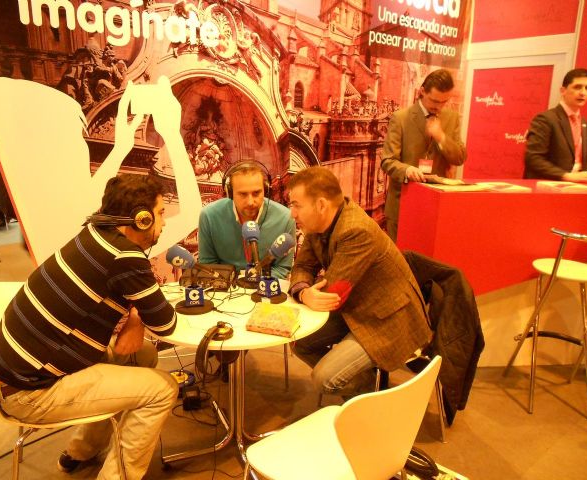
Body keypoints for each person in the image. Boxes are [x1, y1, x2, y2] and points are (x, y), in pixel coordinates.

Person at [0, 174, 178, 479]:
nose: (164, 223)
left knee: (142, 355)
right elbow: (166, 323)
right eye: (160, 214)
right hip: (29, 393)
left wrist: (135, 315)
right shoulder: (125, 256)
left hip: (14, 371)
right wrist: (138, 316)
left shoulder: (94, 234)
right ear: (142, 219)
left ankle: (81, 450)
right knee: (164, 389)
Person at [287, 166, 432, 395]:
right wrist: (304, 292)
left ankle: (367, 399)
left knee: (324, 379)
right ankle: (365, 384)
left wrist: (307, 293)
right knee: (299, 340)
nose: (292, 214)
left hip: (387, 320)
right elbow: (302, 267)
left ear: (321, 205)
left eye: (297, 205)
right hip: (355, 308)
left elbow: (330, 294)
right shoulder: (318, 223)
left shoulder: (356, 230)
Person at [381, 69, 467, 241]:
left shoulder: (451, 118)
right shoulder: (401, 118)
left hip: (436, 207)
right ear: (422, 92)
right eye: (434, 101)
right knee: (399, 256)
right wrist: (407, 170)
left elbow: (459, 158)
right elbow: (387, 161)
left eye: (444, 102)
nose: (438, 107)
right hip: (403, 204)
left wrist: (441, 137)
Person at [198, 160, 296, 279]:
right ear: (230, 193)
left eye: (256, 193)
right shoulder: (209, 216)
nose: (250, 202)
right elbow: (208, 265)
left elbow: (282, 269)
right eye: (243, 194)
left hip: (266, 286)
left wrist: (254, 282)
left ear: (266, 189)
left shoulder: (285, 218)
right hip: (226, 286)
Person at [524, 68, 587, 182]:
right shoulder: (545, 119)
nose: (583, 93)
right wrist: (566, 176)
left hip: (574, 187)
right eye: (577, 87)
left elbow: (575, 162)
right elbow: (533, 159)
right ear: (563, 90)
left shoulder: (585, 123)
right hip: (547, 186)